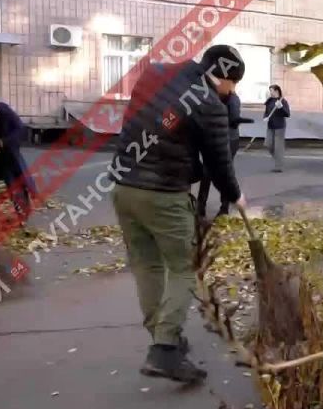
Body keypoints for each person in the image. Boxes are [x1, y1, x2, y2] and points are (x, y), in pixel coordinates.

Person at [110, 44, 247, 384]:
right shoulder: (210, 103)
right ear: (225, 79)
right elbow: (219, 163)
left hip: (123, 188)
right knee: (184, 267)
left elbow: (150, 128)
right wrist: (236, 196)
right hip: (163, 195)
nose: (232, 92)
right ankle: (165, 349)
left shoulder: (155, 74)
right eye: (233, 85)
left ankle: (163, 337)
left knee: (147, 266)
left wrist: (190, 166)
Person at [197, 90, 253, 218]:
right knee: (209, 172)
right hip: (215, 138)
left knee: (221, 171)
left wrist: (238, 120)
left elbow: (233, 120)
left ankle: (222, 207)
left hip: (228, 139)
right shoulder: (212, 97)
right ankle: (203, 206)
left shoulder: (232, 99)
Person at [0, 101, 35, 222]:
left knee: (14, 183)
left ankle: (23, 213)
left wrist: (0, 143)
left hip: (7, 154)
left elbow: (20, 131)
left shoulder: (6, 113)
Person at [264, 84, 290, 173]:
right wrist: (265, 117)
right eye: (270, 91)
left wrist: (281, 107)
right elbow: (266, 112)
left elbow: (287, 114)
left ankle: (278, 166)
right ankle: (279, 159)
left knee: (278, 147)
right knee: (268, 144)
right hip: (270, 126)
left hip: (280, 127)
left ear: (276, 91)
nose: (270, 92)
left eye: (271, 91)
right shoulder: (269, 101)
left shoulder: (283, 101)